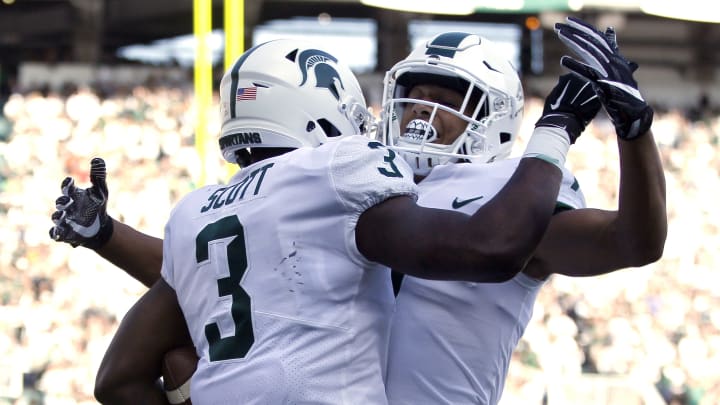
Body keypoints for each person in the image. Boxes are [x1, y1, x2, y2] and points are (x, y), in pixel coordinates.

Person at [56, 37, 588, 404]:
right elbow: (489, 249)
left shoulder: (194, 211)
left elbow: (118, 379)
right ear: (319, 107)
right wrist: (555, 132)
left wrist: (107, 235)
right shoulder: (331, 171)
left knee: (179, 364)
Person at [381, 18, 666, 404]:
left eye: (445, 103)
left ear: (492, 118)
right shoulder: (362, 175)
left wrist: (635, 130)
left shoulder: (509, 190)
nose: (420, 112)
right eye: (414, 98)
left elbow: (635, 243)